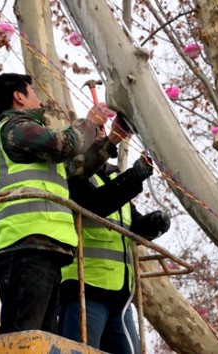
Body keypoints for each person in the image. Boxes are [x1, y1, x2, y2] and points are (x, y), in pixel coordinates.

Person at [0, 73, 121, 335]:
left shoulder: (28, 138)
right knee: (21, 336)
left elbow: (74, 168)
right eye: (32, 91)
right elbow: (66, 145)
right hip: (26, 245)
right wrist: (90, 123)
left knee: (43, 338)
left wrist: (110, 141)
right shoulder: (16, 128)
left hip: (43, 245)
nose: (38, 98)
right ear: (19, 96)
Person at [58, 116, 171, 353]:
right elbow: (95, 206)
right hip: (84, 288)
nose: (102, 138)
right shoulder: (73, 177)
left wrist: (154, 223)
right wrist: (133, 177)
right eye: (96, 134)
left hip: (119, 294)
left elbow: (134, 225)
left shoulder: (110, 180)